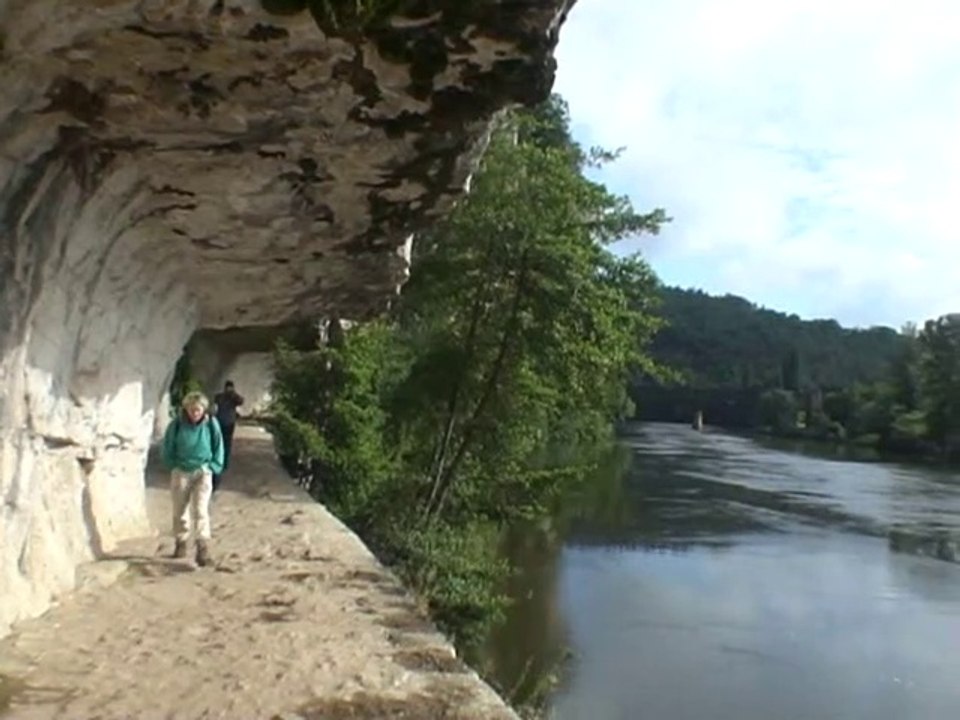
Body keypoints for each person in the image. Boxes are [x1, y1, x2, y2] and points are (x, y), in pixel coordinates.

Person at [161, 392, 224, 566]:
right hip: (181, 470)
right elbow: (167, 446)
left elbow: (219, 445)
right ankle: (181, 542)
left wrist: (213, 466)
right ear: (186, 409)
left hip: (202, 470)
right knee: (180, 509)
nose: (194, 413)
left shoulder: (211, 424)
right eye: (191, 409)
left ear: (204, 409)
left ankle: (202, 548)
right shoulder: (177, 425)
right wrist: (172, 464)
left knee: (200, 509)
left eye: (198, 409)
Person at [212, 380, 244, 491]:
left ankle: (224, 462)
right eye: (228, 388)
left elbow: (241, 401)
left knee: (227, 443)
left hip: (229, 422)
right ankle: (221, 460)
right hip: (222, 421)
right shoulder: (221, 397)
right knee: (220, 442)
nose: (229, 390)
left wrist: (232, 395)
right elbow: (216, 400)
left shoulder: (233, 398)